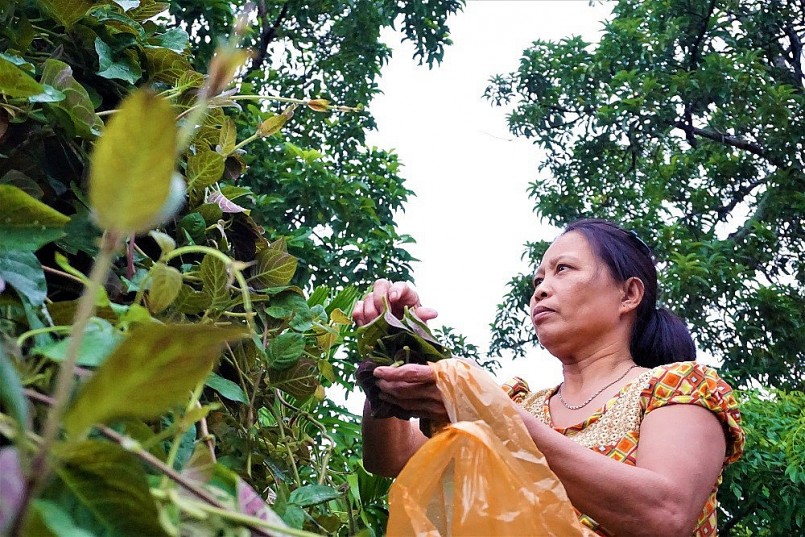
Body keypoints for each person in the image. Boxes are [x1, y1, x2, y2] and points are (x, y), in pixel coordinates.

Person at [352, 219, 743, 537]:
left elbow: (665, 515)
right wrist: (389, 347)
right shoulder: (519, 403)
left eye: (562, 269)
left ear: (628, 294)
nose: (540, 290)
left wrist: (496, 418)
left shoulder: (677, 386)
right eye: (537, 280)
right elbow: (392, 458)